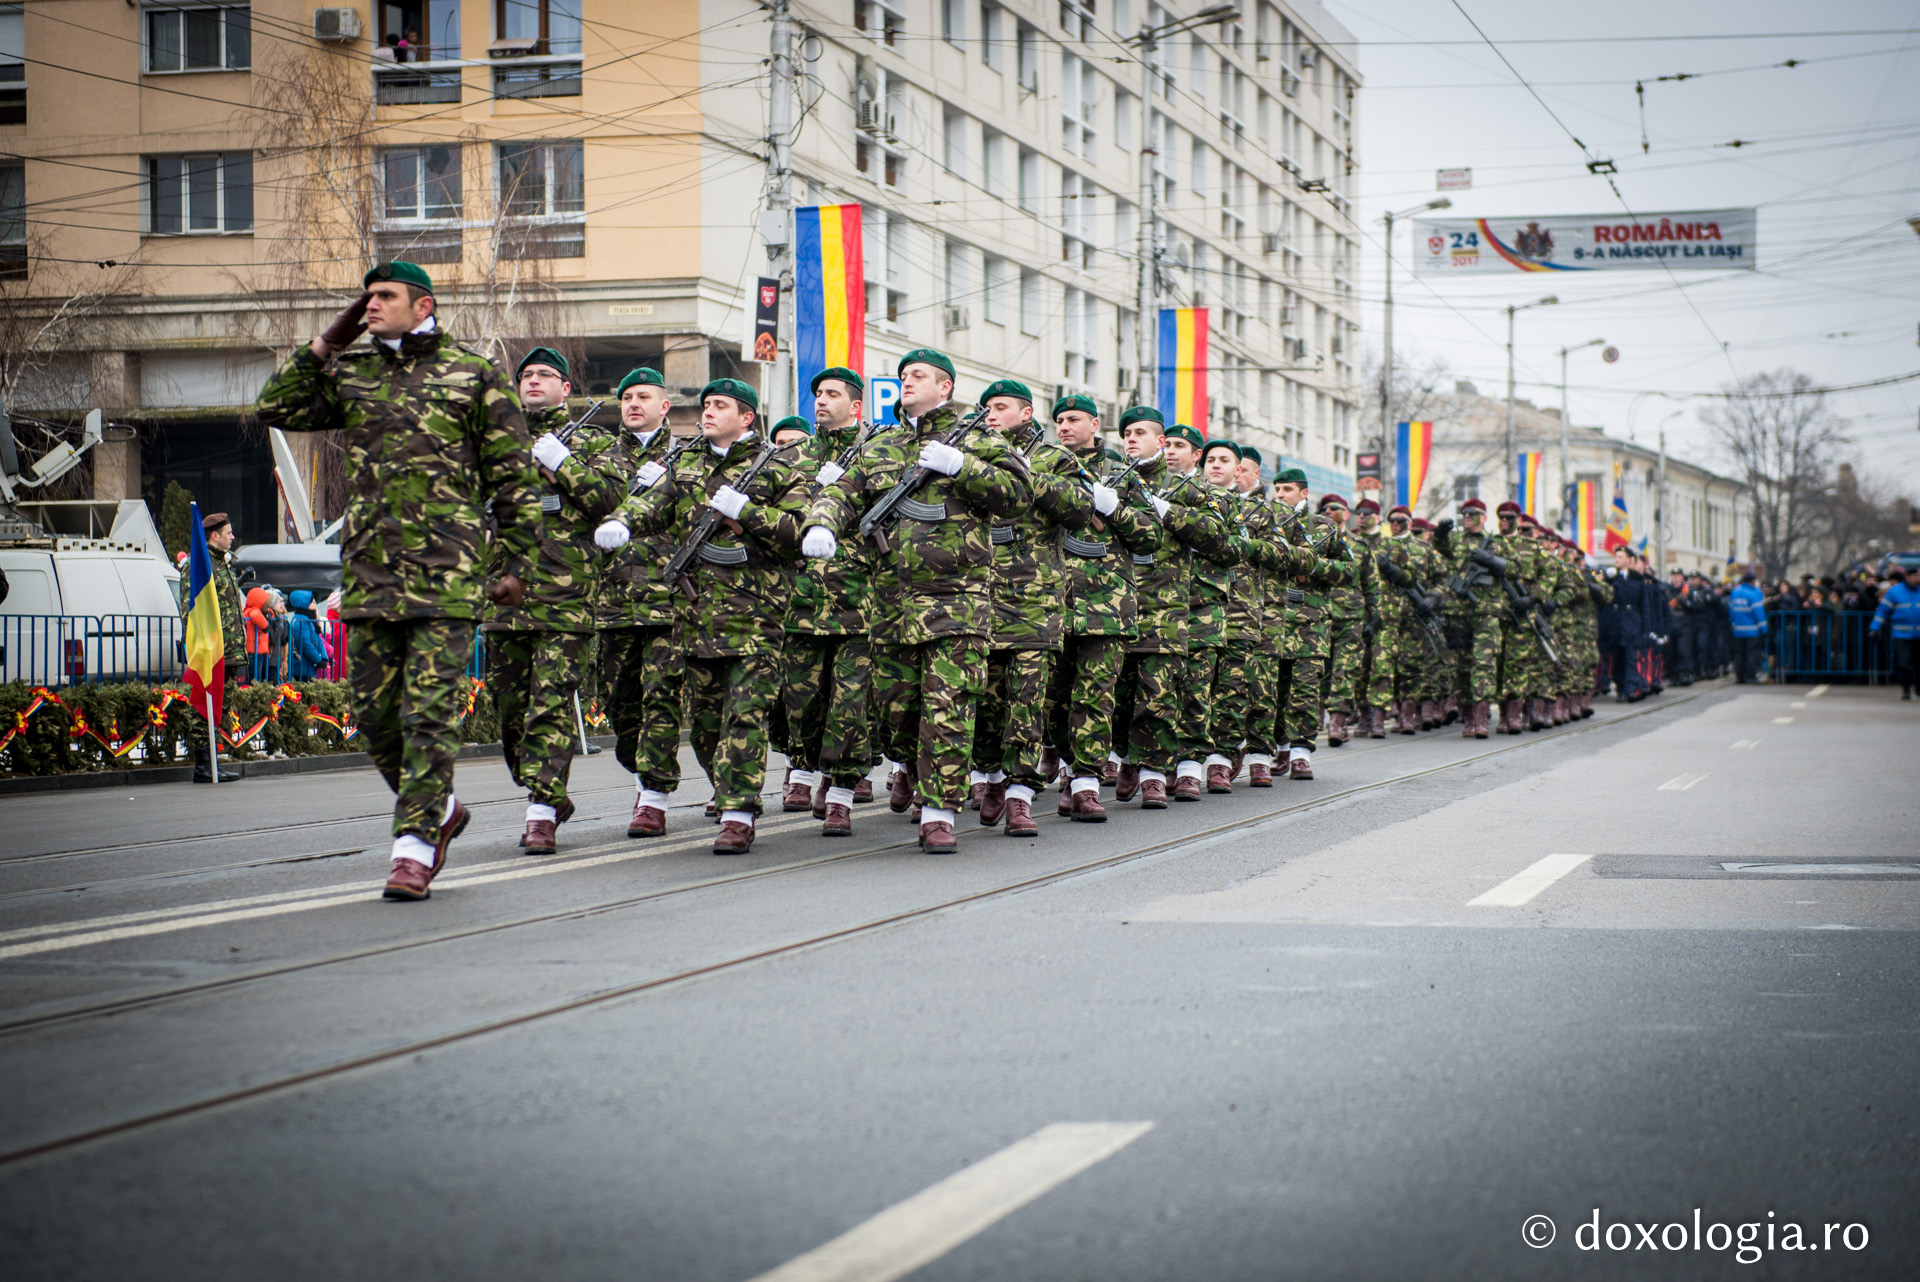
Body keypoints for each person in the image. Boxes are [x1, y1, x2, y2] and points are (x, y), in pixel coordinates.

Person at [256, 260, 541, 900]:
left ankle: (413, 847)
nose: (371, 305)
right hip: (369, 573)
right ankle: (441, 812)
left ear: (424, 305)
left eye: (384, 296)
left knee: (429, 714)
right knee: (376, 716)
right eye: (365, 297)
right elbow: (275, 405)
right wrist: (328, 341)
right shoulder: (352, 373)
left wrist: (518, 565)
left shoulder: (474, 375)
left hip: (448, 574)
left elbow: (514, 480)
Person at [800, 349, 1030, 852]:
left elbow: (1018, 493)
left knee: (949, 709)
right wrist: (821, 520)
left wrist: (963, 467)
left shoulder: (979, 439)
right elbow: (844, 491)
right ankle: (908, 765)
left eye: (918, 375)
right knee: (897, 714)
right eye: (903, 375)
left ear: (945, 387)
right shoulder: (881, 445)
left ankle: (939, 812)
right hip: (891, 605)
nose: (907, 381)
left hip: (958, 602)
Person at [596, 378, 808, 854]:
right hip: (696, 619)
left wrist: (748, 512)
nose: (707, 412)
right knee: (709, 723)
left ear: (747, 417)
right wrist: (621, 521)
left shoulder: (775, 467)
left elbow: (798, 530)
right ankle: (725, 790)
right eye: (706, 405)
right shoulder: (685, 463)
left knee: (745, 715)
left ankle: (737, 813)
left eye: (720, 406)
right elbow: (652, 502)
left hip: (756, 617)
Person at [488, 347, 628, 855]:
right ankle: (544, 789)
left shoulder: (591, 440)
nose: (534, 381)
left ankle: (541, 811)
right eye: (526, 375)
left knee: (549, 703)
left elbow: (614, 503)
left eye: (546, 375)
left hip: (565, 595)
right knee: (509, 708)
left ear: (565, 388)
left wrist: (563, 466)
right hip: (504, 594)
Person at [967, 379, 1093, 835]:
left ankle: (1020, 793)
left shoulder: (1054, 458)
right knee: (984, 699)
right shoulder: (970, 454)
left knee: (1028, 701)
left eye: (1001, 407)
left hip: (1036, 603)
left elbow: (1080, 509)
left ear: (1025, 413)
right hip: (979, 599)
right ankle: (989, 776)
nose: (991, 415)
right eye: (986, 408)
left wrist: (1022, 475)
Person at [1106, 408, 1234, 807]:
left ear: (1159, 442)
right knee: (1117, 695)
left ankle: (1154, 773)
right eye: (1126, 432)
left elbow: (1219, 537)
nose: (1130, 438)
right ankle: (1127, 757)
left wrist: (1168, 513)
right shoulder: (1111, 484)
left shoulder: (1185, 490)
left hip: (1165, 608)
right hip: (1115, 604)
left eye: (1140, 432)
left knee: (1158, 696)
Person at [1041, 396, 1155, 819]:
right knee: (1052, 699)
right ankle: (1069, 765)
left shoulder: (1120, 472)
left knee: (1095, 696)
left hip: (1106, 604)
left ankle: (1087, 783)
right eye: (1059, 420)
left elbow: (1149, 536)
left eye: (1073, 419)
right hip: (1048, 601)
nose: (1065, 426)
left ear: (1094, 423)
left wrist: (1115, 508)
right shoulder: (1041, 466)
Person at [781, 367, 880, 837]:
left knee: (851, 705)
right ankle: (804, 764)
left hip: (860, 603)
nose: (820, 400)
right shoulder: (791, 458)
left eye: (832, 394)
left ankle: (840, 792)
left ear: (855, 406)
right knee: (800, 704)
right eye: (817, 393)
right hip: (800, 603)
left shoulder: (878, 455)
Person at [594, 367, 686, 839]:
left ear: (664, 406)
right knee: (619, 702)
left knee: (661, 697)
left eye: (643, 396)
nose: (633, 404)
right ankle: (640, 770)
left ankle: (653, 797)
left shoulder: (686, 457)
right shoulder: (600, 457)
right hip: (611, 600)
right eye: (626, 396)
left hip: (667, 602)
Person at [180, 511, 247, 781]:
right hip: (212, 651)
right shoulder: (199, 565)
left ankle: (212, 764)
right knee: (204, 708)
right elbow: (191, 610)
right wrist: (203, 647)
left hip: (228, 651)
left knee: (218, 707)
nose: (233, 537)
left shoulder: (223, 564)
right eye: (228, 533)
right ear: (214, 535)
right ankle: (203, 767)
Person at [1433, 499, 1502, 736]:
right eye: (1463, 514)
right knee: (1460, 667)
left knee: (1483, 664)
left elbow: (1515, 569)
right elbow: (1440, 545)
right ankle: (1469, 717)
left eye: (1472, 513)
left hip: (1486, 612)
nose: (1466, 517)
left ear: (1483, 517)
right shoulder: (1455, 540)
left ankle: (1481, 718)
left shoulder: (1496, 542)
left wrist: (1492, 561)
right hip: (1456, 613)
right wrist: (1440, 533)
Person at [1869, 564, 1920, 698]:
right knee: (1904, 663)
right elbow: (1883, 611)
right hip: (1902, 634)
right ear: (1907, 576)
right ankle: (1906, 689)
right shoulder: (1894, 592)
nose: (1918, 578)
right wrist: (1874, 629)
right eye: (1915, 576)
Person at [285, 589, 334, 680]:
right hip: (301, 666)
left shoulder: (309, 620)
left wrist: (323, 657)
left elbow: (319, 640)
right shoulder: (300, 622)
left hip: (309, 666)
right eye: (313, 602)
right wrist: (318, 660)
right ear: (304, 604)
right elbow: (305, 644)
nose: (315, 604)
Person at [1729, 572, 1768, 683]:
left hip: (1738, 631)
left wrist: (1733, 623)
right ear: (1752, 581)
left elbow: (1731, 611)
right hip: (1752, 631)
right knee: (1752, 654)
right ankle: (1750, 676)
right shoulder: (1754, 593)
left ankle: (1739, 677)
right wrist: (1764, 630)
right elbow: (1759, 614)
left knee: (1739, 654)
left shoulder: (1735, 592)